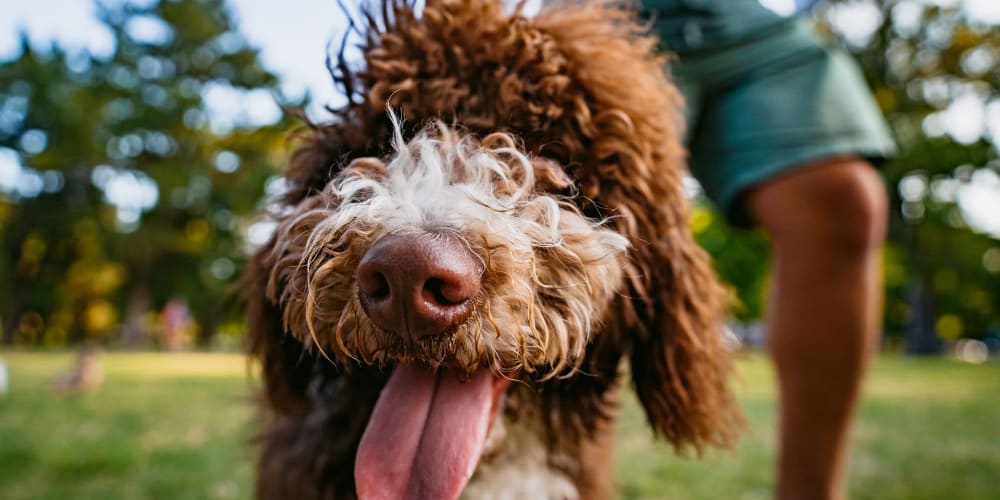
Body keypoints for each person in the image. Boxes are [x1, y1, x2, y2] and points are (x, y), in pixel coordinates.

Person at [641, 1, 894, 499]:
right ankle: (570, 485)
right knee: (598, 226)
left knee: (841, 198)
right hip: (615, 16)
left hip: (750, 19)